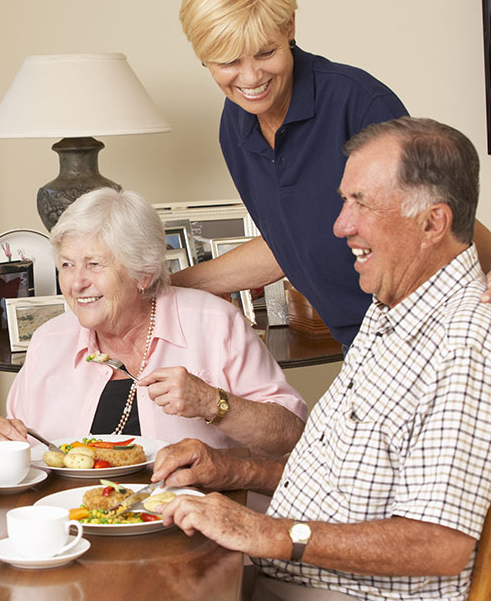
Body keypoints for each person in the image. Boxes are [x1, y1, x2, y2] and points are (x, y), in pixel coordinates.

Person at [152, 118, 491, 601]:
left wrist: (266, 534)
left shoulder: (469, 340)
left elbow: (439, 544)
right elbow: (344, 481)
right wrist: (233, 471)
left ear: (432, 223)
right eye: (344, 200)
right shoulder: (390, 306)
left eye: (362, 204)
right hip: (286, 578)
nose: (340, 225)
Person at [172, 0, 491, 348]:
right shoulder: (234, 126)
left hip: (430, 334)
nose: (250, 78)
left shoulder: (359, 104)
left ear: (289, 25)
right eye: (227, 62)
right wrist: (169, 286)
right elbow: (290, 241)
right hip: (359, 343)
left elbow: (438, 223)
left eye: (266, 52)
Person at [0, 188, 306, 456]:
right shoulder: (49, 341)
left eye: (95, 264)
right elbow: (19, 442)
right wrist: (3, 441)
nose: (76, 283)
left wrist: (212, 403)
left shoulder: (215, 325)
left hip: (192, 518)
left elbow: (291, 434)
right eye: (67, 265)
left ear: (144, 274)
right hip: (71, 521)